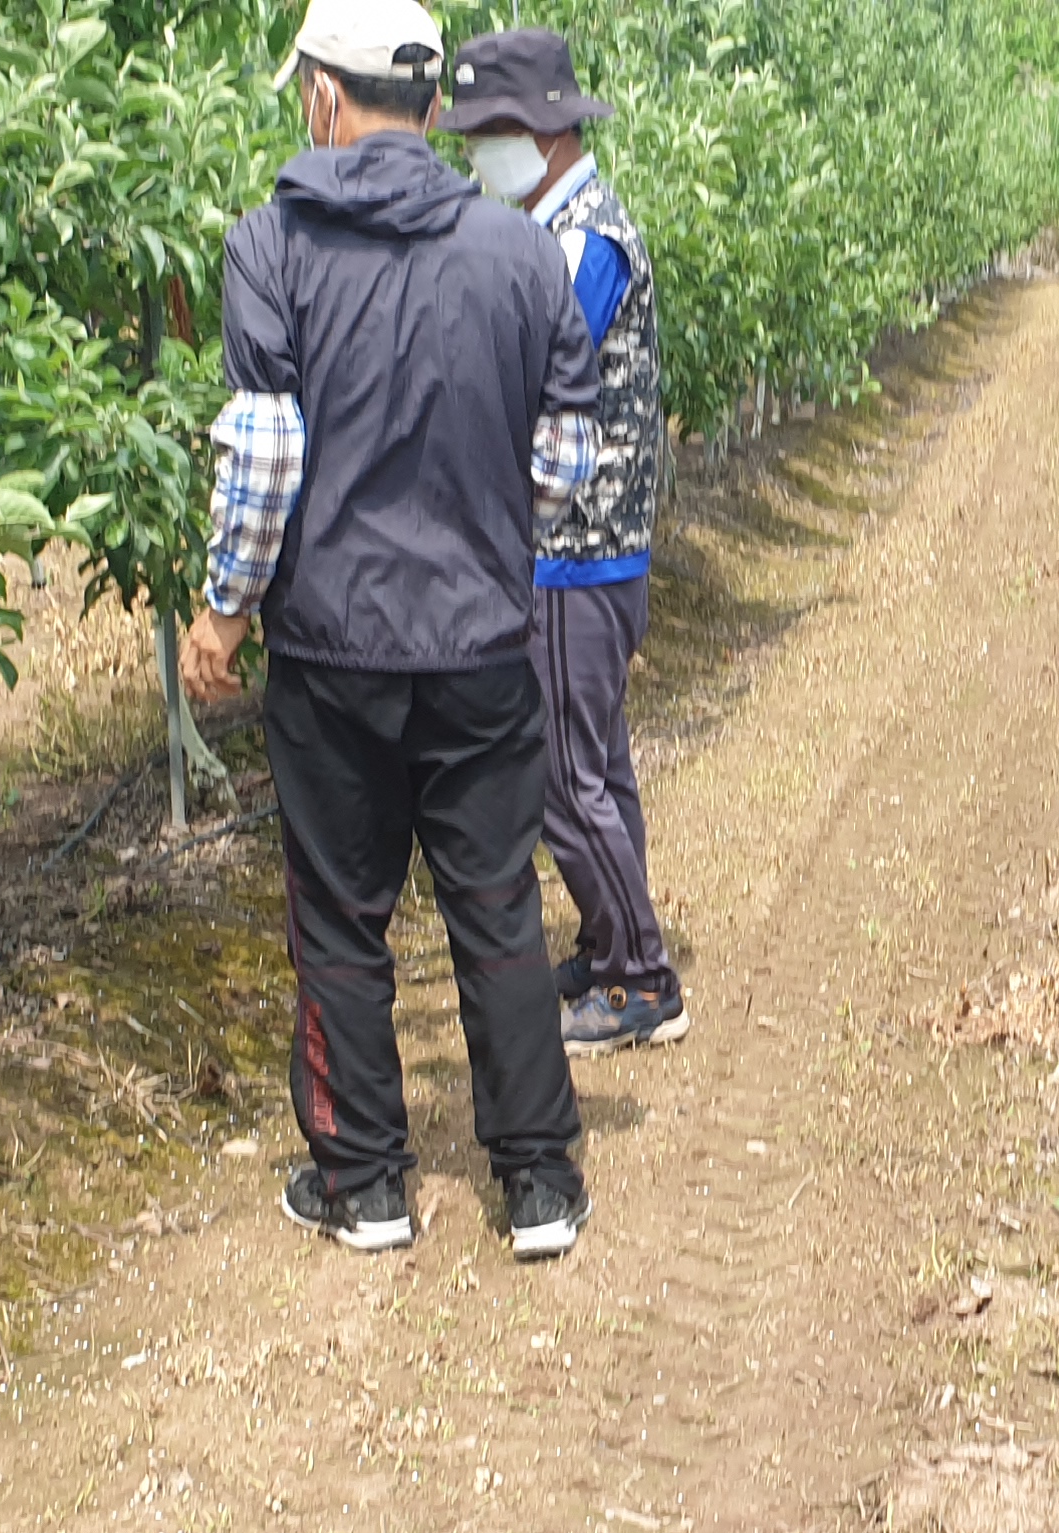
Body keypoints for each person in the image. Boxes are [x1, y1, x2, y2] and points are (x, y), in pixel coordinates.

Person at [181, 0, 604, 1261]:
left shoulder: (271, 247)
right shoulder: (522, 253)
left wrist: (222, 612)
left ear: (322, 96)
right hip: (480, 645)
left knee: (342, 917)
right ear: (431, 109)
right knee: (494, 902)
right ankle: (537, 1185)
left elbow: (264, 455)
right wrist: (476, 518)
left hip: (333, 655)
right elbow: (567, 461)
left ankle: (366, 1184)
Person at [445, 28, 687, 1058]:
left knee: (562, 777)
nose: (473, 158)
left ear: (536, 132)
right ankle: (609, 941)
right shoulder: (568, 225)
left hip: (572, 554)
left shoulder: (580, 244)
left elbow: (539, 374)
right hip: (590, 556)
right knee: (601, 769)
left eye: (484, 136)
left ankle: (642, 980)